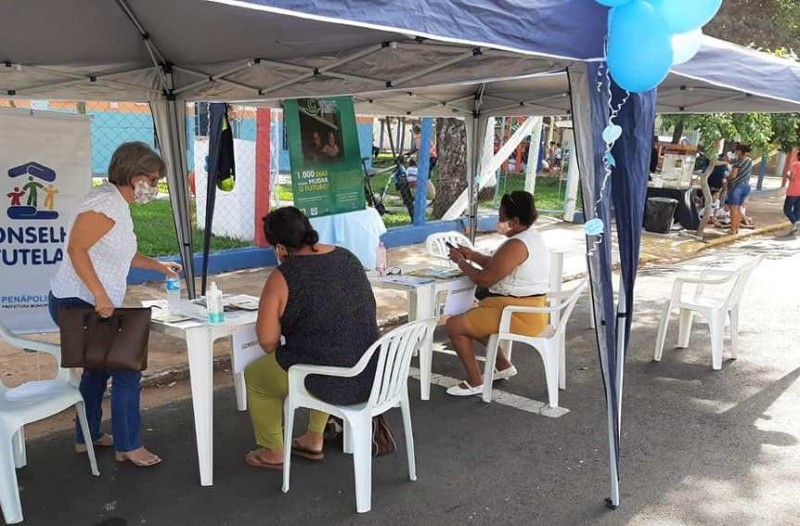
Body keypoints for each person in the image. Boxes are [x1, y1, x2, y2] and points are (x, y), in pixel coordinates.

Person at [49, 142, 181, 467]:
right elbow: (77, 250)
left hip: (86, 301)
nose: (155, 187)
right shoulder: (105, 205)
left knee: (96, 371)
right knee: (126, 368)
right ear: (135, 176)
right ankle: (128, 445)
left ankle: (87, 436)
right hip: (79, 302)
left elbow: (121, 253)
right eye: (154, 179)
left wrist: (159, 266)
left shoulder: (116, 203)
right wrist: (100, 295)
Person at [243, 207, 380, 469]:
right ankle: (313, 437)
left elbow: (268, 341)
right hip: (370, 372)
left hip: (331, 379)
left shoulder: (283, 276)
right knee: (327, 353)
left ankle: (273, 451)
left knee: (257, 378)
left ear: (281, 248)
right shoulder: (347, 257)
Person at [444, 191, 550, 396]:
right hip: (526, 309)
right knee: (475, 318)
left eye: (502, 217)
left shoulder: (517, 244)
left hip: (519, 314)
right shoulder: (530, 237)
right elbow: (498, 266)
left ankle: (475, 381)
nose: (498, 221)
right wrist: (472, 255)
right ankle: (503, 365)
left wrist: (460, 262)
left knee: (455, 325)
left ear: (516, 220)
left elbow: (484, 279)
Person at [722, 144, 754, 235]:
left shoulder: (738, 162)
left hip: (737, 187)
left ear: (740, 151)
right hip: (746, 187)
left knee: (733, 209)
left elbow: (733, 175)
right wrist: (728, 160)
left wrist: (727, 177)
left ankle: (732, 229)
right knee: (739, 208)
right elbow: (731, 161)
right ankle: (736, 228)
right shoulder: (749, 160)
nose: (735, 152)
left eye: (736, 151)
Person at [782, 149, 800, 235]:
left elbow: (792, 178)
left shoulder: (795, 165)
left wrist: (787, 175)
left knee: (787, 209)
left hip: (793, 190)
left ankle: (794, 222)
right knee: (797, 209)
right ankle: (795, 224)